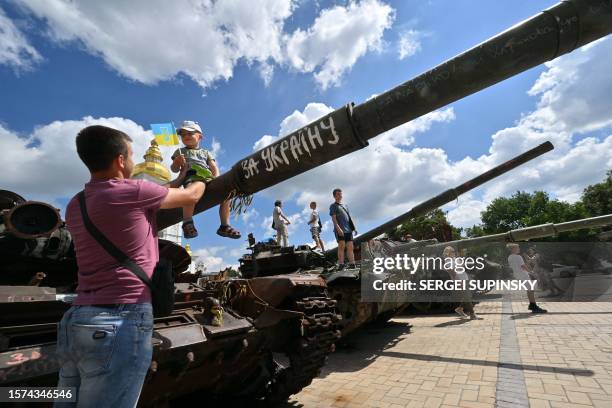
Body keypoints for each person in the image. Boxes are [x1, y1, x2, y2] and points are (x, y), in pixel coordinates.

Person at [56, 125, 203, 407]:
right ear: (121, 160)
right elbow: (192, 196)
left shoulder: (76, 204)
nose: (135, 162)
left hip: (77, 318)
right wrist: (201, 176)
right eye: (132, 156)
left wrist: (178, 178)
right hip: (119, 319)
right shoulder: (132, 191)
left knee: (67, 399)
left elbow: (146, 196)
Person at [170, 120, 241, 240]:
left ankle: (225, 225)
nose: (186, 136)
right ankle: (187, 221)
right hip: (191, 176)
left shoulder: (206, 152)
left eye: (190, 133)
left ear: (200, 137)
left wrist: (217, 178)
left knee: (227, 194)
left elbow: (213, 167)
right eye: (183, 134)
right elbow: (174, 169)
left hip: (207, 178)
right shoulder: (180, 152)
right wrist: (176, 163)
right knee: (190, 192)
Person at [507, 243, 547, 313]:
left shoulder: (509, 257)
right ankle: (534, 307)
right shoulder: (518, 257)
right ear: (513, 249)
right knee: (531, 290)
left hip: (517, 275)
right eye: (517, 248)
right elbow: (523, 266)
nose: (519, 249)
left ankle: (532, 305)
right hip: (523, 275)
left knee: (529, 290)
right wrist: (531, 272)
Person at [442, 246, 479, 320]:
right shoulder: (448, 260)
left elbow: (462, 267)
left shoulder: (455, 259)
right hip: (459, 280)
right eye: (452, 251)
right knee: (467, 296)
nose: (454, 252)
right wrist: (458, 281)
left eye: (454, 251)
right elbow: (452, 272)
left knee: (467, 295)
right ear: (448, 253)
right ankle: (472, 314)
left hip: (464, 277)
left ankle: (460, 308)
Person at [330, 188, 357, 270]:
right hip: (340, 230)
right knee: (341, 246)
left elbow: (349, 218)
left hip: (348, 229)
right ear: (334, 196)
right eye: (338, 194)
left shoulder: (345, 206)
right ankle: (341, 264)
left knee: (350, 247)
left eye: (341, 193)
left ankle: (352, 263)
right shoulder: (333, 206)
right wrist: (338, 228)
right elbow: (334, 219)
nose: (340, 195)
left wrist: (354, 228)